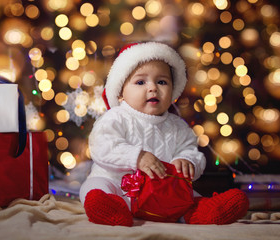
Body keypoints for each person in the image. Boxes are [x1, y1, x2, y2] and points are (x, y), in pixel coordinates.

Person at [79, 42, 249, 226]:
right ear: (121, 92)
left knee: (188, 196)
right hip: (118, 186)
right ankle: (111, 208)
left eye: (161, 81)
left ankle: (203, 211)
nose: (152, 87)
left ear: (173, 91)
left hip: (163, 191)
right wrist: (137, 157)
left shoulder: (177, 126)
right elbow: (102, 146)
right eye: (140, 82)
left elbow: (191, 150)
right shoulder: (116, 118)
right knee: (95, 187)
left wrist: (188, 161)